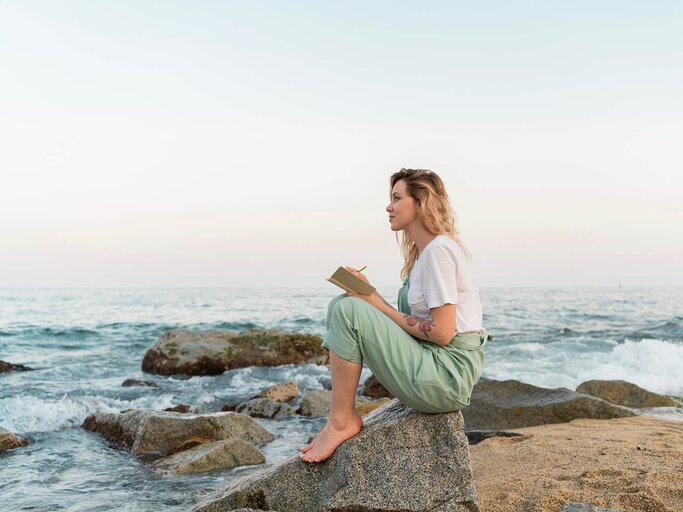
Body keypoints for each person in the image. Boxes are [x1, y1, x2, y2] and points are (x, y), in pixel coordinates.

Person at [299, 168, 487, 463]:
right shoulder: (425, 255)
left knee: (348, 311)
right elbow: (412, 325)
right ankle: (342, 416)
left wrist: (375, 304)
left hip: (447, 375)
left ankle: (341, 422)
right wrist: (367, 295)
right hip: (433, 363)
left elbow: (442, 332)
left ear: (420, 202)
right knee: (342, 304)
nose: (389, 207)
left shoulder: (439, 252)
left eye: (397, 198)